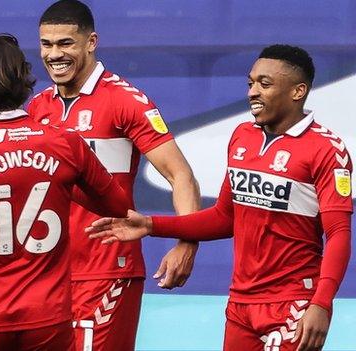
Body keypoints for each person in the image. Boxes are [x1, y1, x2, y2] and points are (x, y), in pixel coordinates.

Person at [87, 44, 353, 351]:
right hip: (240, 304)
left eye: (265, 84)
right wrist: (150, 224)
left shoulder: (326, 150)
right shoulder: (243, 136)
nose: (253, 92)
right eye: (251, 83)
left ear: (298, 91)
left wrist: (321, 303)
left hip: (292, 303)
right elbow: (225, 217)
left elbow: (338, 234)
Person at [0, 34, 132, 350]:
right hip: (48, 316)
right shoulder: (66, 143)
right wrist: (60, 183)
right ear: (24, 78)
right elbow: (117, 204)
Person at [27, 1, 201, 349]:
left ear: (91, 42)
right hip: (47, 274)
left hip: (106, 270)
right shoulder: (37, 107)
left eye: (66, 43)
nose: (54, 54)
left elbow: (181, 175)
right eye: (47, 44)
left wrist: (187, 242)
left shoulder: (125, 101)